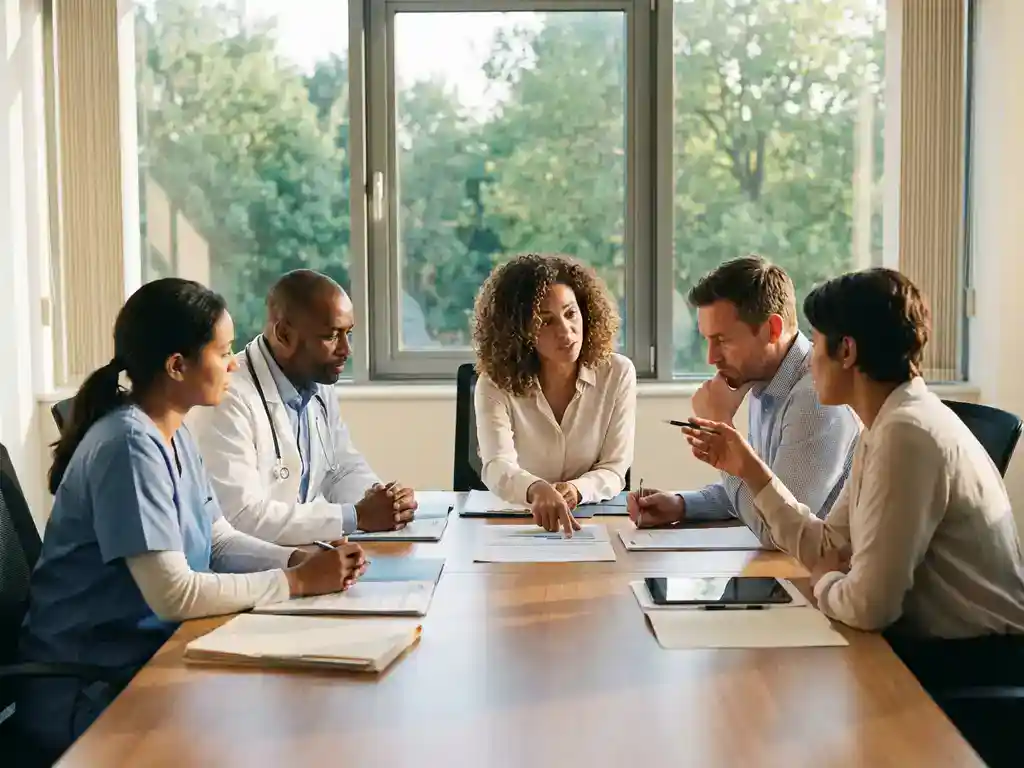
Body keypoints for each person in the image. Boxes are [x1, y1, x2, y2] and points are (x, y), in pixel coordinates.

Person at [16, 278, 366, 760]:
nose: (235, 362)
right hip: (92, 691)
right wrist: (296, 582)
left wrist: (298, 557)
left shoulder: (173, 432)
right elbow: (174, 592)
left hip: (150, 660)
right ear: (177, 366)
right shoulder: (128, 447)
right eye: (223, 352)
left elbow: (217, 540)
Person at [681, 268, 1024, 688]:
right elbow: (830, 545)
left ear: (846, 351)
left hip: (968, 668)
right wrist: (748, 469)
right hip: (930, 650)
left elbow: (867, 606)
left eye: (816, 340)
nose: (809, 358)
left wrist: (825, 580)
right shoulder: (885, 424)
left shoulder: (907, 433)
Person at [628, 255, 859, 546]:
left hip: (818, 580)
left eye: (723, 340)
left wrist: (721, 429)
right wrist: (681, 505)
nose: (711, 358)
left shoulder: (815, 400)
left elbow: (777, 532)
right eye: (707, 341)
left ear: (772, 330)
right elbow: (760, 489)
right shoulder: (764, 381)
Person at [190, 270, 417, 546]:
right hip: (258, 567)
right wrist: (355, 516)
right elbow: (239, 517)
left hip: (305, 556)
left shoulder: (318, 382)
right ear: (284, 334)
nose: (346, 349)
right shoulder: (228, 396)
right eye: (332, 336)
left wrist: (385, 501)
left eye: (349, 334)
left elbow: (340, 468)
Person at [472, 253, 637, 536]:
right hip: (516, 526)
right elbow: (497, 465)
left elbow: (614, 467)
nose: (566, 331)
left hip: (591, 523)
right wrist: (536, 489)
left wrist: (576, 489)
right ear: (519, 332)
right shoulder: (494, 383)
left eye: (571, 313)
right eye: (546, 321)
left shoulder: (617, 373)